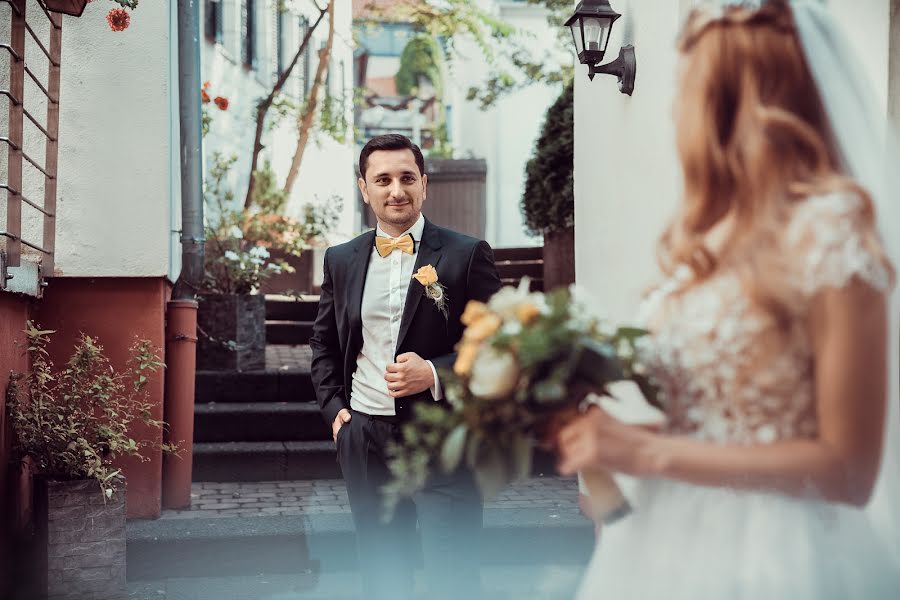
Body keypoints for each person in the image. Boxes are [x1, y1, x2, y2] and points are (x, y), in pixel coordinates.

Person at [557, 1, 900, 598]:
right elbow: (722, 424)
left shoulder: (831, 229)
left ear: (733, 101)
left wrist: (650, 451)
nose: (673, 105)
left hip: (780, 554)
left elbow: (848, 468)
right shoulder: (711, 234)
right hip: (666, 541)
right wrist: (611, 442)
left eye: (688, 82)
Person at [309, 133, 502, 600]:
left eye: (407, 178)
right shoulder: (340, 260)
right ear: (364, 188)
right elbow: (324, 342)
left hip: (442, 432)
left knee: (453, 574)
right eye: (383, 179)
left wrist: (435, 373)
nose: (396, 190)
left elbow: (498, 345)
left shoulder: (466, 253)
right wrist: (335, 410)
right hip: (366, 435)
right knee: (382, 575)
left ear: (424, 185)